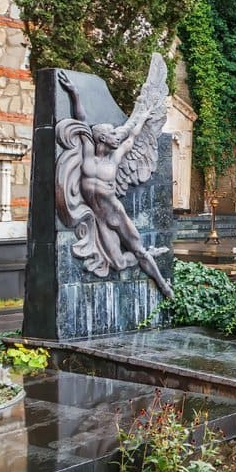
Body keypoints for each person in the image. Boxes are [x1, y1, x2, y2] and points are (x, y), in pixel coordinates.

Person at [55, 67, 173, 298]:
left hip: (116, 214)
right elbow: (82, 120)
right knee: (118, 263)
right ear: (101, 137)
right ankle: (149, 254)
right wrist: (74, 93)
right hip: (97, 219)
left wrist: (145, 113)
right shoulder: (88, 153)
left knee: (137, 250)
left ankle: (163, 285)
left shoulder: (115, 159)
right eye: (111, 133)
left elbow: (133, 136)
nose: (115, 136)